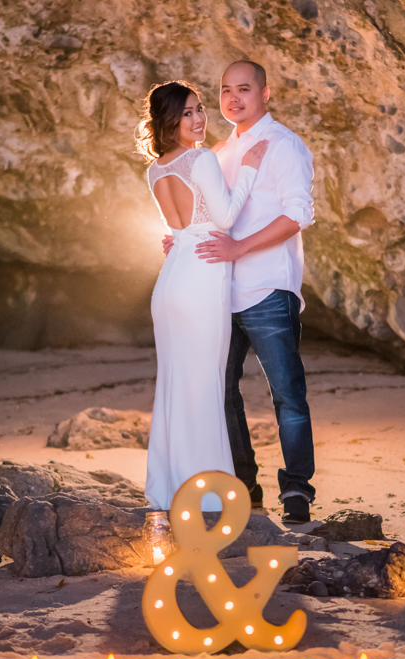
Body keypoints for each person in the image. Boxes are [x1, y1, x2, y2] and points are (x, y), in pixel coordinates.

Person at [163, 61, 317, 524]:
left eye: (244, 89)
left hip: (268, 288)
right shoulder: (217, 150)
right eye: (226, 90)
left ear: (265, 93)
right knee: (220, 392)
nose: (233, 99)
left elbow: (298, 215)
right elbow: (210, 215)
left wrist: (238, 248)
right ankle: (245, 487)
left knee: (287, 395)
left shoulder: (285, 146)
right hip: (217, 293)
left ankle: (297, 491)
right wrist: (182, 238)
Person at [137, 80, 268, 513]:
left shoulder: (154, 170)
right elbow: (226, 218)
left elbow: (181, 231)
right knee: (205, 387)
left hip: (171, 280)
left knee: (176, 387)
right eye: (188, 113)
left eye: (200, 109)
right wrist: (248, 167)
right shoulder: (201, 159)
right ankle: (209, 495)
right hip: (201, 279)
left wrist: (182, 239)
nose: (198, 119)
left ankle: (171, 488)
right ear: (169, 121)